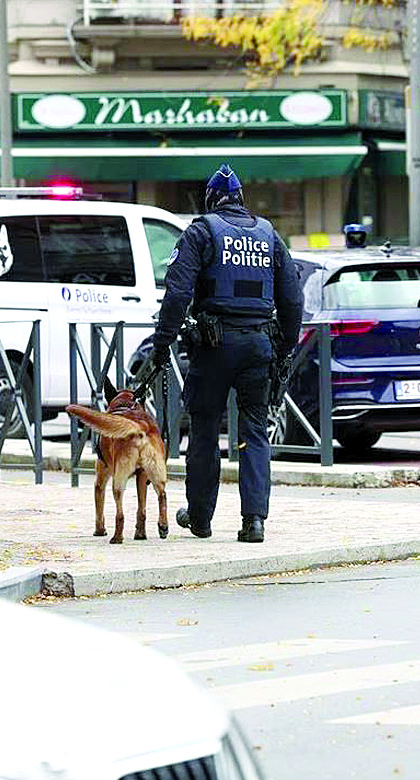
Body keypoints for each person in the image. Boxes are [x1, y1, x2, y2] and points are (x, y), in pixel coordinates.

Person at [150, 164, 303, 543]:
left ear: (211, 199)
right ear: (240, 200)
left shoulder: (202, 231)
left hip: (213, 346)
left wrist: (162, 342)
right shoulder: (268, 234)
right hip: (258, 345)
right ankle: (254, 521)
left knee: (203, 430)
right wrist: (283, 350)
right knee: (254, 430)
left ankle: (200, 518)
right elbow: (293, 298)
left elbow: (178, 292)